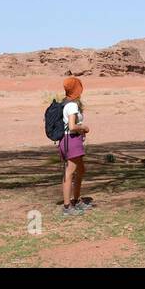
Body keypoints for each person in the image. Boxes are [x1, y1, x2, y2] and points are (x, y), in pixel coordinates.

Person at [58, 76, 91, 216]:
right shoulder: (72, 105)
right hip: (71, 140)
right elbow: (72, 126)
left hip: (68, 140)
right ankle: (67, 206)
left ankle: (76, 200)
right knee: (70, 172)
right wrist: (84, 127)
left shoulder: (65, 102)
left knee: (81, 170)